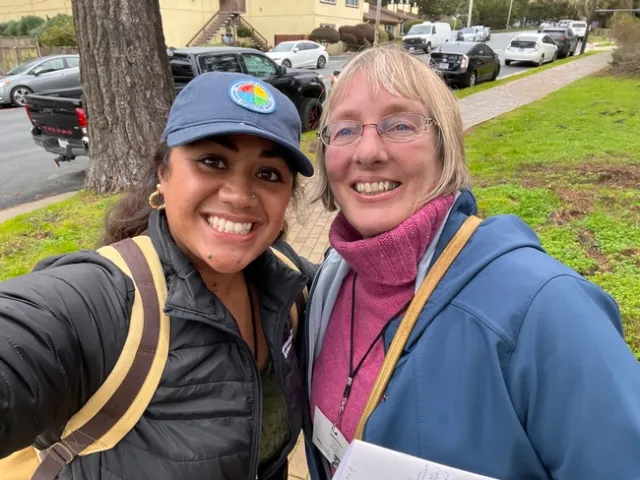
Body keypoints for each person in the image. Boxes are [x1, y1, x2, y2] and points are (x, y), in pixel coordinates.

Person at [301, 45, 640, 479]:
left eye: (400, 124)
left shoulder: (544, 310)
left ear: (446, 148)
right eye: (345, 130)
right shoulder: (332, 281)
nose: (367, 151)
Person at [0, 71, 317, 479]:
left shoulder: (288, 283)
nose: (239, 195)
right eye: (213, 161)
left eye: (268, 174)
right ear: (162, 175)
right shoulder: (102, 299)